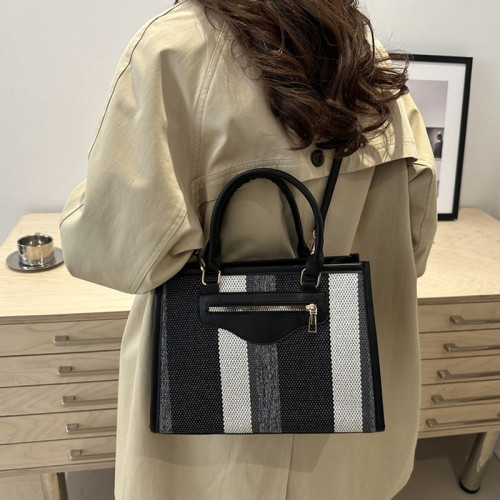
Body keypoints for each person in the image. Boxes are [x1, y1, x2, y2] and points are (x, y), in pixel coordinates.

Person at [59, 0, 437, 498]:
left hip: (214, 450)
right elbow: (415, 245)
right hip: (348, 437)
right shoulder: (367, 55)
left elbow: (113, 253)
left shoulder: (174, 48)